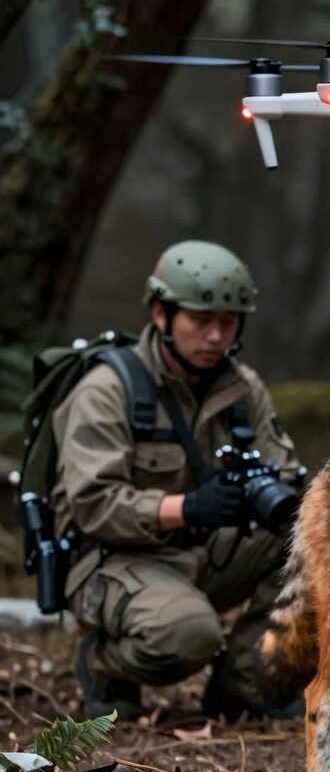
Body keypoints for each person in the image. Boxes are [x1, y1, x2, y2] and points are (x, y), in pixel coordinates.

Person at [53, 240, 304, 721]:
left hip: (201, 554)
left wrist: (265, 496)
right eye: (200, 320)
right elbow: (92, 505)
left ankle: (243, 683)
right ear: (161, 314)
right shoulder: (108, 390)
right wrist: (187, 507)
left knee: (306, 545)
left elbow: (287, 476)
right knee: (189, 637)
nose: (214, 337)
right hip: (112, 560)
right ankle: (104, 664)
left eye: (227, 323)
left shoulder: (241, 389)